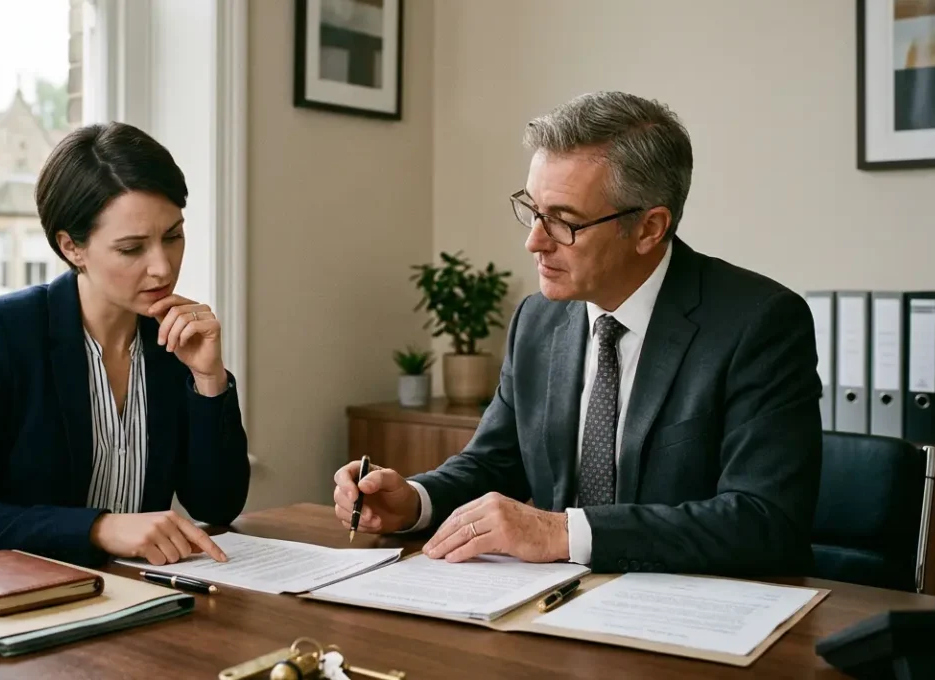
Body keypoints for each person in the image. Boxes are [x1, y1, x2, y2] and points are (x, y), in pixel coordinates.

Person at [333, 91, 822, 577]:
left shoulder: (760, 323)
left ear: (649, 228)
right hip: (554, 602)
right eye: (533, 210)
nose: (534, 241)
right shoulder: (537, 319)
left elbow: (765, 520)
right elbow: (493, 464)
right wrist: (414, 501)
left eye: (564, 222)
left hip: (698, 607)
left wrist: (563, 532)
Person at [0, 122, 249, 569]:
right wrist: (99, 528)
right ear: (72, 247)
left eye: (172, 236)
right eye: (131, 248)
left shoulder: (172, 340)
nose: (163, 267)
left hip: (125, 593)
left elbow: (218, 505)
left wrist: (208, 380)